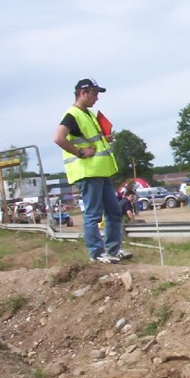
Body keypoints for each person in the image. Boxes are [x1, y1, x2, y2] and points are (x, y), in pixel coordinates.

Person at [53, 78, 124, 264]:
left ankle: (113, 250)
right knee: (93, 214)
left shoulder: (88, 115)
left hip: (101, 171)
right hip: (88, 172)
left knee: (114, 212)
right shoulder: (72, 114)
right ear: (83, 93)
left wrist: (105, 139)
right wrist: (80, 152)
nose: (97, 98)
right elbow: (58, 137)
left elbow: (90, 139)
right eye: (95, 93)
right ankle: (96, 253)